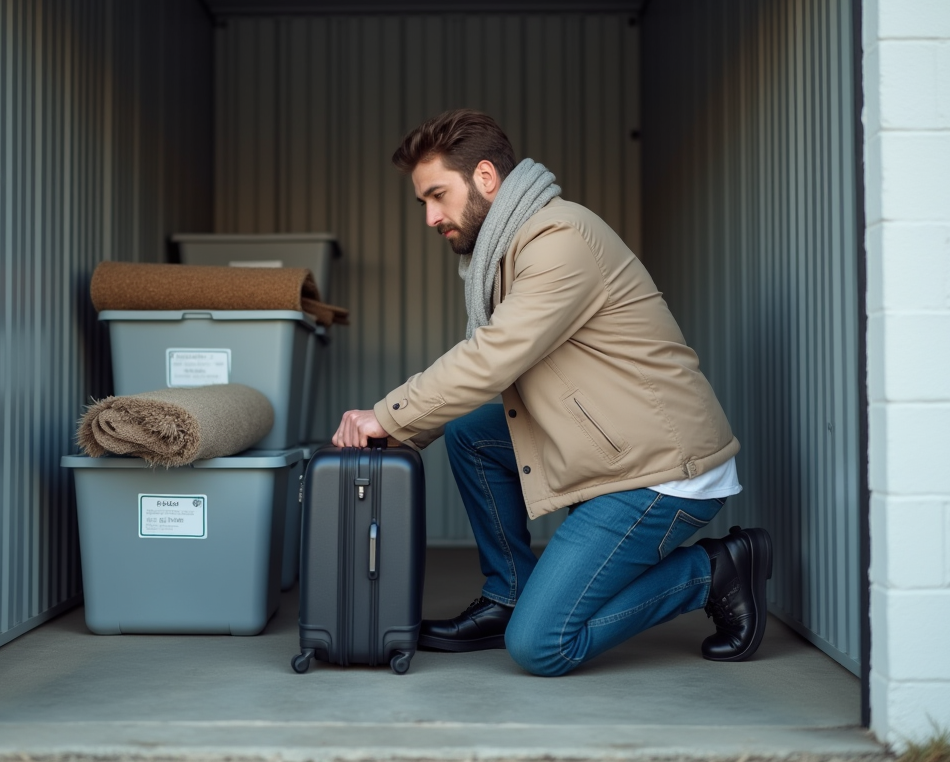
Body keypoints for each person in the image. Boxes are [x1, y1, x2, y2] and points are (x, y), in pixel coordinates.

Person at [331, 108, 772, 676]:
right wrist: (404, 428)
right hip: (618, 443)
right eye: (423, 202)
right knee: (471, 434)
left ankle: (717, 571)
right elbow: (490, 364)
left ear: (485, 178)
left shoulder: (560, 238)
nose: (430, 216)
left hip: (660, 471)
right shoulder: (507, 252)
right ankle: (509, 593)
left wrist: (387, 417)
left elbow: (492, 356)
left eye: (437, 195)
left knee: (541, 645)